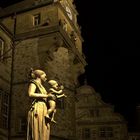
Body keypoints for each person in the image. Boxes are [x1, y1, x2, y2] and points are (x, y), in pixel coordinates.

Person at [27, 69, 50, 140]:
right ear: (39, 76)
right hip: (38, 107)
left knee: (44, 129)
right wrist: (46, 96)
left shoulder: (42, 86)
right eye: (44, 76)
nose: (46, 78)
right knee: (37, 128)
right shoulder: (34, 83)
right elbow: (30, 94)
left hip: (43, 108)